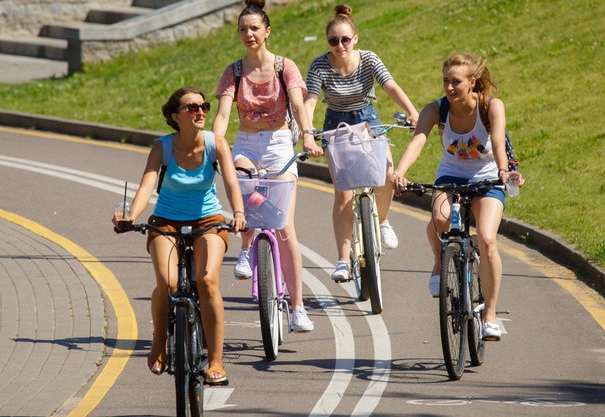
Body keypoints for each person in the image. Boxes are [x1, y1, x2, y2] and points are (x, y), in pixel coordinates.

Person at [112, 86, 246, 383]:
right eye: (192, 107)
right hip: (166, 221)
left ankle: (216, 361)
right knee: (168, 282)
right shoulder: (162, 147)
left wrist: (238, 212)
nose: (200, 112)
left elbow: (231, 183)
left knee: (208, 280)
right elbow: (147, 185)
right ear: (176, 117)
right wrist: (131, 216)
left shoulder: (216, 144)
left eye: (203, 106)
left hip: (208, 219)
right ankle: (159, 343)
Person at [391, 53, 524, 341]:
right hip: (451, 175)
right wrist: (400, 172)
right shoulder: (436, 109)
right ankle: (440, 261)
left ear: (472, 82)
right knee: (440, 220)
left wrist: (504, 171)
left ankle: (490, 315)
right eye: (445, 81)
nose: (449, 88)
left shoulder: (491, 106)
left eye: (456, 82)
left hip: (488, 177)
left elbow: (498, 141)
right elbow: (418, 140)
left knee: (486, 239)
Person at [212, 0, 323, 332]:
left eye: (254, 28)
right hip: (246, 144)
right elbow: (222, 116)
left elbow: (299, 106)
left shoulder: (284, 67)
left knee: (285, 227)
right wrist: (212, 146)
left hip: (278, 144)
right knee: (241, 184)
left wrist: (307, 136)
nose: (249, 34)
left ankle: (298, 307)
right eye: (243, 29)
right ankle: (246, 246)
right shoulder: (234, 72)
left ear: (267, 31)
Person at [303, 4, 420, 282]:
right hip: (337, 125)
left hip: (368, 119)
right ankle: (343, 260)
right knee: (343, 193)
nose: (339, 45)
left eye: (345, 39)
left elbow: (390, 86)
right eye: (333, 41)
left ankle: (382, 220)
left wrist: (413, 112)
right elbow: (310, 100)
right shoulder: (319, 65)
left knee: (387, 175)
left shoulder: (368, 59)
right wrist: (307, 132)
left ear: (355, 38)